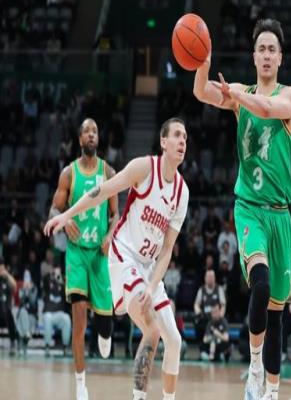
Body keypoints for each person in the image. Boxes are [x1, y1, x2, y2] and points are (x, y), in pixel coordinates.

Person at [45, 117, 188, 400]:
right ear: (163, 141)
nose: (183, 141)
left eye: (185, 136)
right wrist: (66, 214)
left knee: (174, 340)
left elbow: (167, 250)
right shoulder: (144, 168)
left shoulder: (182, 192)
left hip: (149, 267)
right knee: (152, 329)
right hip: (124, 257)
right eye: (177, 135)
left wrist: (152, 286)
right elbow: (102, 192)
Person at [194, 18, 291, 400]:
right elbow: (202, 91)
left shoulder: (290, 97)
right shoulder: (240, 92)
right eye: (261, 49)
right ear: (253, 56)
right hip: (249, 208)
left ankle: (272, 390)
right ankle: (254, 367)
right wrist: (203, 62)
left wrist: (237, 97)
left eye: (273, 49)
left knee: (276, 312)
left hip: (281, 214)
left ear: (280, 57)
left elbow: (269, 109)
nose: (267, 55)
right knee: (261, 282)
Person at [47, 118, 118, 400]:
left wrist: (110, 234)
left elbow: (116, 214)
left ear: (98, 139)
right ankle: (80, 384)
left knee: (105, 327)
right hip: (77, 253)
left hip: (99, 256)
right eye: (87, 131)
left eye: (95, 131)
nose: (91, 134)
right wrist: (64, 221)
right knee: (79, 320)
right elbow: (54, 210)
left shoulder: (108, 172)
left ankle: (105, 332)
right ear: (79, 139)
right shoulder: (68, 174)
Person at [42, 266, 71, 356]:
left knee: (66, 318)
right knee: (47, 318)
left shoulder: (62, 285)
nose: (56, 275)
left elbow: (69, 292)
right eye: (55, 273)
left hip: (59, 314)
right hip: (49, 313)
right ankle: (47, 346)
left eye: (58, 273)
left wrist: (60, 279)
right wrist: (51, 274)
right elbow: (44, 280)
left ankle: (65, 347)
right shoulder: (48, 282)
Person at [193, 269, 227, 346]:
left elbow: (223, 305)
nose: (209, 278)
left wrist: (220, 315)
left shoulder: (219, 289)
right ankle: (201, 347)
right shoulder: (201, 289)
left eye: (211, 277)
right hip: (205, 317)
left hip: (216, 318)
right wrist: (198, 311)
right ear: (205, 278)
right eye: (208, 277)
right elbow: (196, 304)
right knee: (196, 322)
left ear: (214, 278)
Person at [0, 257, 17, 356]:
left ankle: (13, 343)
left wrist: (7, 275)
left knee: (9, 313)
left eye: (2, 268)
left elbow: (14, 287)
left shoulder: (7, 278)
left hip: (6, 312)